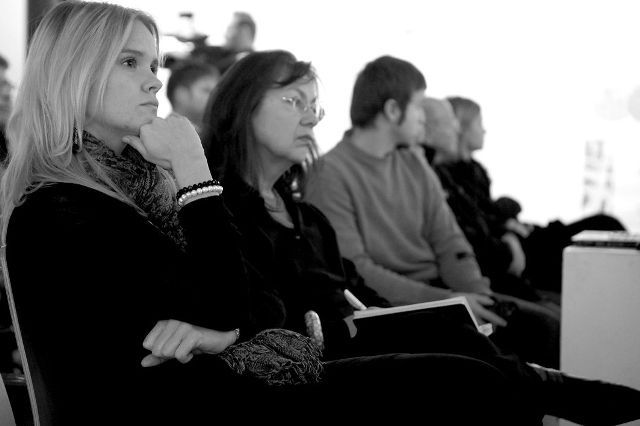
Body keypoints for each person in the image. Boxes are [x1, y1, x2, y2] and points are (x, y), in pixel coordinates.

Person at [0, 3, 545, 424]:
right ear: (75, 74)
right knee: (468, 385)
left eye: (154, 63)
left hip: (222, 386)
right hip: (190, 408)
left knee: (472, 374)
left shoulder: (141, 189)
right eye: (129, 62)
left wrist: (220, 332)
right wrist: (193, 169)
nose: (154, 80)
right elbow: (227, 301)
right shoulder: (61, 207)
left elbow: (250, 302)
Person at [202, 49, 640, 425]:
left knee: (466, 335)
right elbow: (258, 313)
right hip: (314, 360)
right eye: (294, 101)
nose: (311, 118)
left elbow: (369, 276)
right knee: (478, 371)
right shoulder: (222, 210)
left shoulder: (308, 215)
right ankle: (570, 393)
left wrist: (433, 307)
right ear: (243, 105)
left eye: (314, 105)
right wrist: (409, 310)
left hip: (358, 332)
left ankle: (563, 391)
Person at [305, 55, 564, 369]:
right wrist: (448, 301)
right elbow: (357, 271)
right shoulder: (329, 173)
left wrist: (476, 295)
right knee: (526, 345)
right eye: (418, 106)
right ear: (392, 110)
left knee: (548, 330)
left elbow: (449, 240)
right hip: (398, 310)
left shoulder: (413, 162)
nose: (423, 118)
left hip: (443, 296)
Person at [445, 96, 626, 293]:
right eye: (479, 123)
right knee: (605, 226)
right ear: (461, 127)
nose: (484, 130)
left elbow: (488, 213)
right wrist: (507, 231)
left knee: (606, 224)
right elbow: (477, 226)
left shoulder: (474, 170)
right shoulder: (451, 176)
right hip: (517, 248)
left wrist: (507, 217)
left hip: (522, 237)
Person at [421, 96, 557, 306]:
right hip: (481, 272)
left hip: (483, 272)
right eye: (449, 122)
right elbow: (467, 241)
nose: (455, 129)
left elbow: (467, 234)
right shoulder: (437, 177)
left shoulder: (460, 173)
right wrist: (508, 243)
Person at [191, 11, 256, 75]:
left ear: (245, 32)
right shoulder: (225, 54)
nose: (226, 35)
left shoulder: (251, 62)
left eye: (230, 29)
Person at [166, 60, 220, 135]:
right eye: (206, 90)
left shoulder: (203, 133)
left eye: (216, 92)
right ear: (181, 94)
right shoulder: (167, 134)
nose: (215, 96)